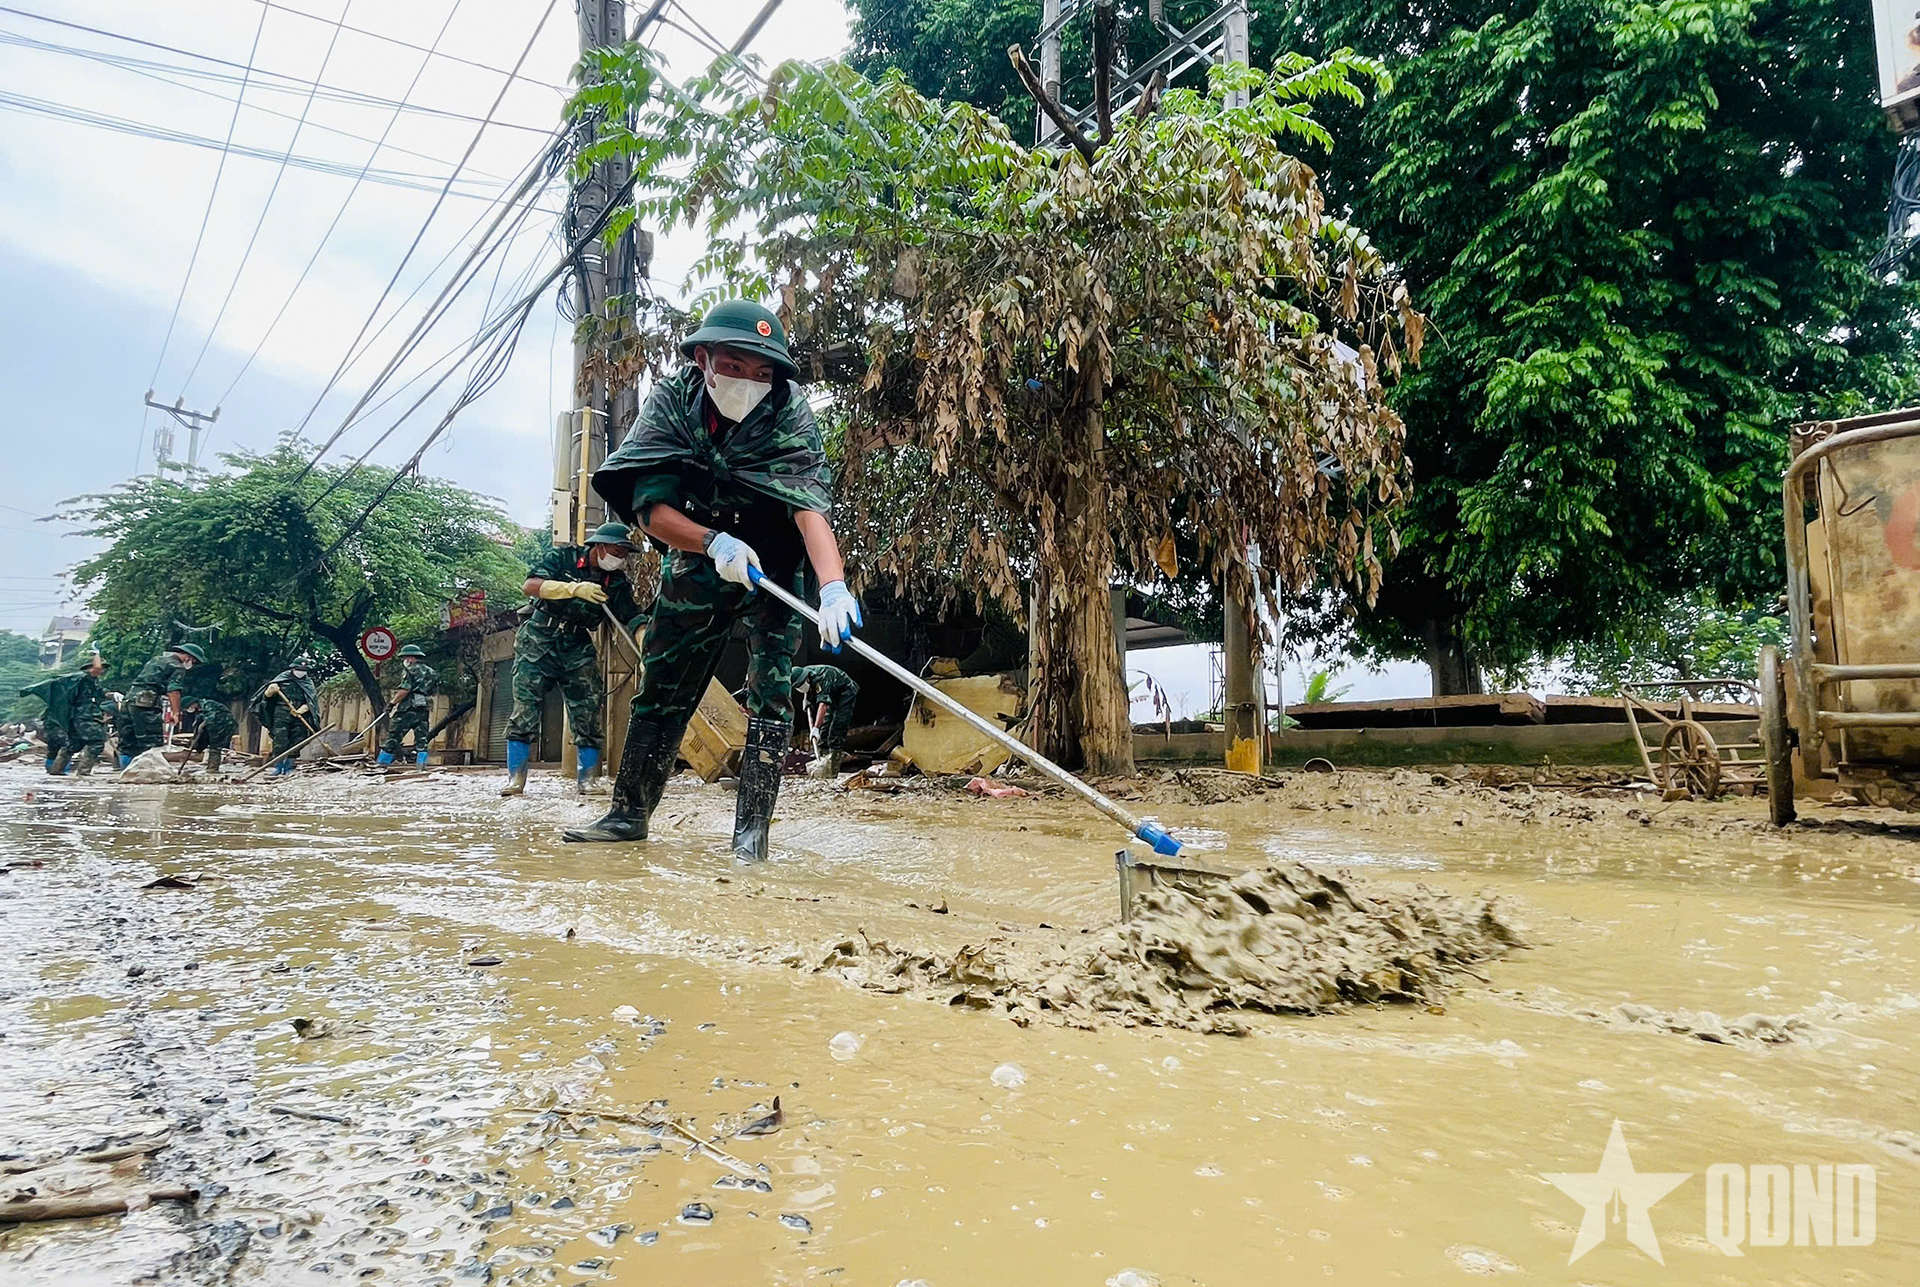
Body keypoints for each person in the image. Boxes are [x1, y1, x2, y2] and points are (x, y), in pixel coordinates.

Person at [565, 299, 862, 859]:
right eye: (735, 364)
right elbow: (650, 511)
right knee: (665, 685)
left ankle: (753, 834)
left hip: (775, 563)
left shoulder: (789, 411)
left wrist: (831, 587)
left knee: (773, 693)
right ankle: (629, 813)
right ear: (703, 357)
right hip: (699, 555)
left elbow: (809, 508)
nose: (749, 380)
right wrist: (712, 542)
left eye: (762, 371)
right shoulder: (673, 405)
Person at [502, 522, 648, 798]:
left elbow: (632, 617)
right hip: (538, 638)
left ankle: (588, 780)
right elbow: (530, 586)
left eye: (625, 553)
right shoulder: (563, 559)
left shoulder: (615, 582)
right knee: (525, 709)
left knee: (589, 708)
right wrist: (572, 589)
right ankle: (515, 779)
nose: (621, 557)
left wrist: (645, 643)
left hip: (576, 645)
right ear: (600, 545)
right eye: (617, 550)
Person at [118, 642, 207, 765]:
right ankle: (147, 776)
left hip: (128, 700)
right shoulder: (177, 666)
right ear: (189, 657)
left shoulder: (157, 659)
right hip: (146, 704)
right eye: (194, 661)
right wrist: (176, 713)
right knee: (151, 742)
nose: (192, 664)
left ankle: (124, 774)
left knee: (127, 743)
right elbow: (174, 691)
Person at [18, 655, 107, 775]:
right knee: (97, 742)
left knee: (73, 744)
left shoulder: (85, 682)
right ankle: (83, 773)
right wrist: (97, 653)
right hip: (86, 717)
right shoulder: (85, 678)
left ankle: (56, 770)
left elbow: (100, 694)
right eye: (101, 667)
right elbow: (96, 668)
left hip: (76, 717)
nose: (102, 670)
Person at [251, 659, 321, 776]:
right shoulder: (281, 679)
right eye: (299, 669)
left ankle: (289, 767)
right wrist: (269, 692)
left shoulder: (308, 683)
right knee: (280, 740)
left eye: (303, 670)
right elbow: (266, 700)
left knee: (298, 739)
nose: (301, 672)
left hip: (299, 716)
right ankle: (278, 767)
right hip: (281, 714)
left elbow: (312, 700)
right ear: (293, 668)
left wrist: (304, 709)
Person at [793, 663, 859, 777]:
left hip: (846, 691)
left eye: (800, 685)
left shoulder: (822, 677)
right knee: (825, 727)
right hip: (832, 694)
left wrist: (815, 728)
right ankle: (821, 762)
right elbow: (809, 692)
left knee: (837, 726)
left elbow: (823, 704)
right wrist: (806, 701)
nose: (799, 687)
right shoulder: (805, 675)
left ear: (806, 678)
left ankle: (832, 769)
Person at [379, 645, 438, 766]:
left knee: (393, 736)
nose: (404, 661)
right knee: (422, 740)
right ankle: (421, 766)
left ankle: (381, 764)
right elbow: (434, 692)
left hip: (407, 708)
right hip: (423, 708)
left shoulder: (410, 669)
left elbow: (405, 690)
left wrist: (391, 704)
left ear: (410, 658)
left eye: (404, 658)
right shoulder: (432, 673)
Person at [179, 657, 236, 774]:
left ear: (192, 703)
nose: (188, 710)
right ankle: (211, 767)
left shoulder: (207, 704)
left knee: (215, 748)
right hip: (216, 727)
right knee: (211, 747)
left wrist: (203, 725)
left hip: (223, 726)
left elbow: (212, 717)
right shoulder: (200, 710)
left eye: (187, 707)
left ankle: (213, 769)